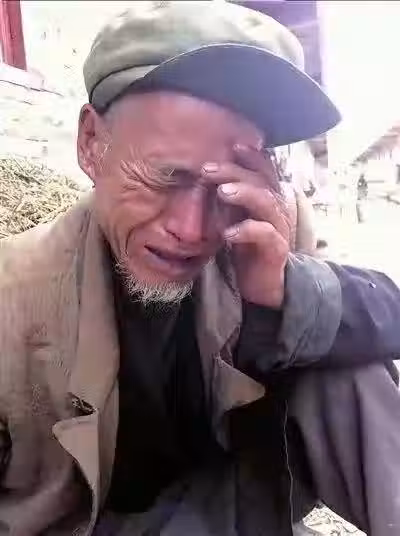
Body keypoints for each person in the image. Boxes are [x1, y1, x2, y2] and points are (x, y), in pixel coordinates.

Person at [0, 3, 400, 535]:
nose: (192, 229)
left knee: (347, 357)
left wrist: (285, 291)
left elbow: (390, 313)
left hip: (240, 506)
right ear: (92, 144)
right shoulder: (13, 297)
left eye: (223, 188)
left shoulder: (268, 226)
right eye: (165, 177)